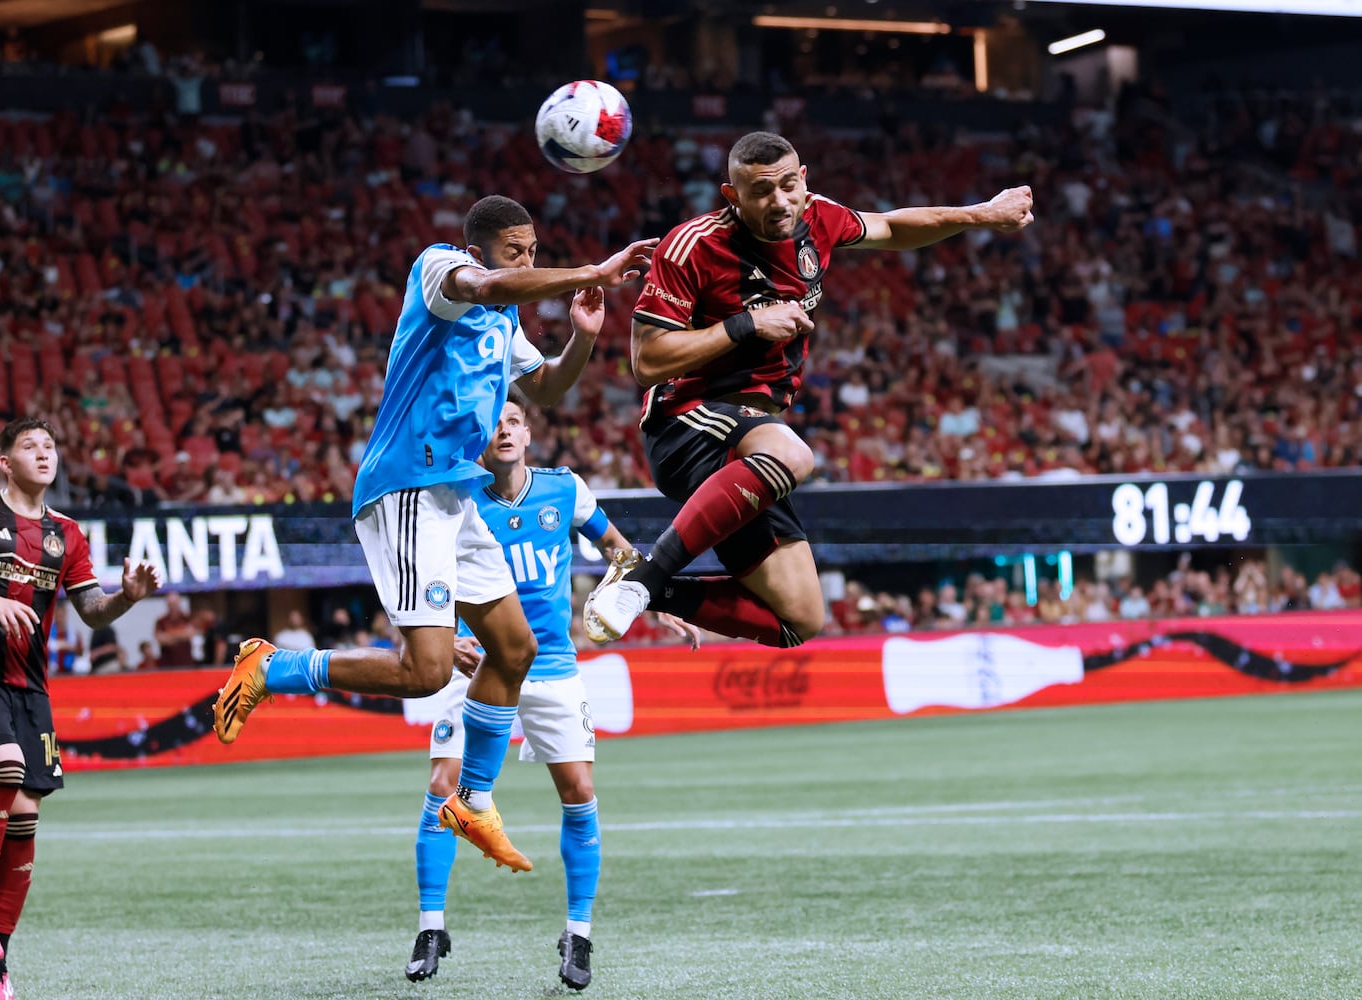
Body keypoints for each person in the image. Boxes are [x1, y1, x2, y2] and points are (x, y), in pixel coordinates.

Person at [212, 196, 656, 872]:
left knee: (515, 648)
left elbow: (549, 391)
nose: (528, 262)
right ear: (480, 249)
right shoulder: (440, 270)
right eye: (518, 250)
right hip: (407, 489)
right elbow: (489, 285)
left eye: (535, 250)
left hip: (453, 494)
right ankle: (274, 668)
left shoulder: (506, 322)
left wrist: (585, 335)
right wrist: (592, 268)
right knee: (426, 672)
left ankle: (472, 801)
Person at [585, 131, 1034, 646]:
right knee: (795, 455)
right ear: (731, 196)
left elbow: (891, 225)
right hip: (688, 421)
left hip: (752, 452)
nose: (778, 201)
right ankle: (647, 580)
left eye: (788, 185)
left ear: (804, 180)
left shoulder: (818, 218)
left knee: (799, 620)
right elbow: (647, 362)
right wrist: (747, 325)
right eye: (760, 191)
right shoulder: (692, 245)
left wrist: (982, 214)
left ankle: (650, 587)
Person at [405, 396, 696, 989]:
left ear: (529, 434)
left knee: (580, 791)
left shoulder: (564, 490)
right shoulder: (451, 501)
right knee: (443, 786)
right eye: (492, 424)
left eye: (513, 420)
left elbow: (617, 549)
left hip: (553, 667)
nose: (503, 430)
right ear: (477, 441)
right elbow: (413, 581)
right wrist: (437, 638)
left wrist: (656, 600)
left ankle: (579, 935)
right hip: (476, 666)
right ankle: (431, 926)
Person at [0, 417, 161, 1000]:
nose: (44, 454)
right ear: (4, 460)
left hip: (30, 687)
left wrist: (127, 597)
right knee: (7, 767)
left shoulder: (67, 532)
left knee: (24, 819)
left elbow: (92, 609)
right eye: (30, 446)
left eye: (50, 445)